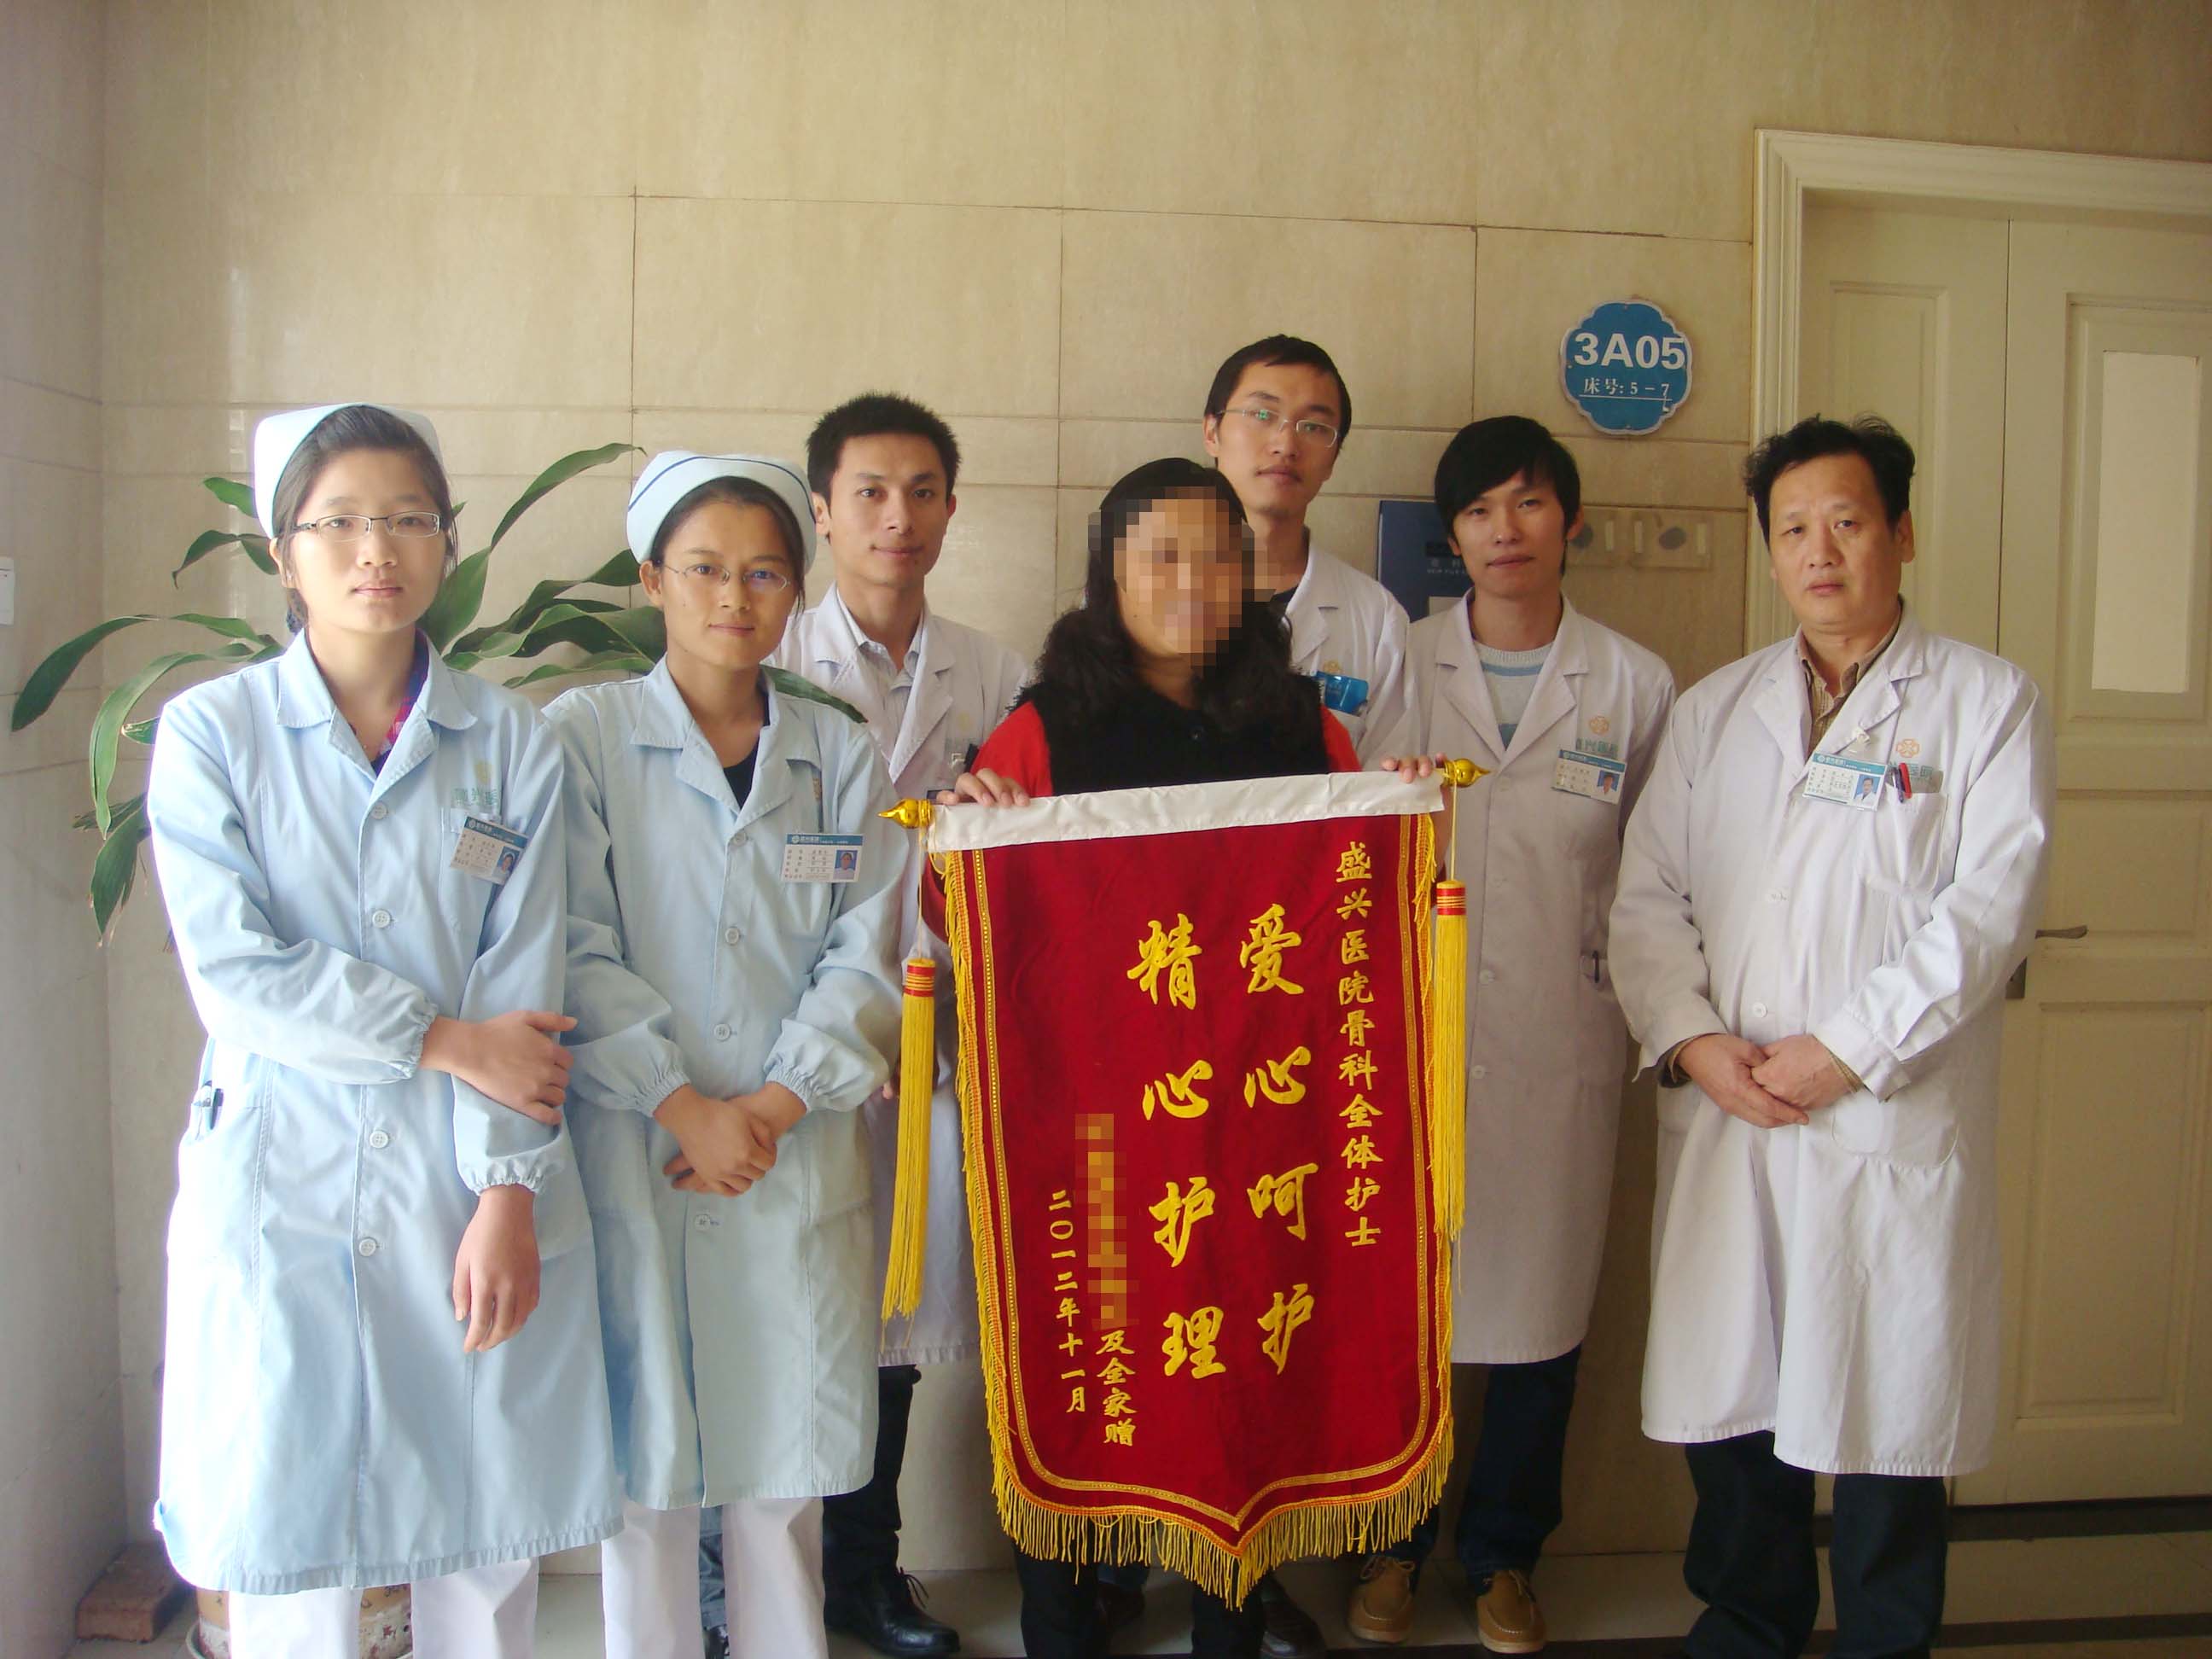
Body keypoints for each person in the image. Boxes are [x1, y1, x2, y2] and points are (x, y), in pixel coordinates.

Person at [145, 402, 619, 1656]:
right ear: (283, 551)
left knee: (482, 1529)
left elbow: (527, 978)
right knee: (290, 1526)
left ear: (448, 542)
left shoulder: (510, 743)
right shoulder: (213, 734)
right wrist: (448, 1040)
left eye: (409, 518)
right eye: (340, 522)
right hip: (284, 1177)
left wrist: (509, 1196)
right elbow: (237, 975)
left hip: (459, 1183)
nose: (376, 551)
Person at [945, 457, 1432, 1659]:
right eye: (1160, 554)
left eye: (1218, 557)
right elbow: (954, 913)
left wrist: (1402, 817)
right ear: (1109, 575)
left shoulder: (1299, 721)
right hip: (1100, 1132)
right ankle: (1065, 1618)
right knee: (1092, 1358)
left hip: (1261, 1123)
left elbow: (1360, 898)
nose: (1192, 581)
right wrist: (971, 830)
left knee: (1241, 1368)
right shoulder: (1046, 725)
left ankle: (1234, 1613)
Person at [1609, 416, 2054, 1658]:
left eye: (1847, 522)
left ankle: (1884, 1639)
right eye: (1794, 528)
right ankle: (1749, 1622)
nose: (1820, 552)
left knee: (1887, 1411)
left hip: (1880, 1115)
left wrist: (1845, 1050)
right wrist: (1696, 1042)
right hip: (1732, 1105)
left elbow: (1988, 912)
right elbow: (1647, 900)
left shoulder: (1984, 702)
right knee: (1736, 1405)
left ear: (1901, 534)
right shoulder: (1716, 711)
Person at [549, 452, 904, 1659]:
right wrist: (679, 1101)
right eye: (703, 568)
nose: (733, 597)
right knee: (645, 1483)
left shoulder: (838, 752)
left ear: (796, 590)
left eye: (763, 573)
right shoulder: (584, 737)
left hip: (787, 1157)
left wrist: (777, 1101)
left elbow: (867, 949)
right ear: (652, 580)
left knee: (780, 1482)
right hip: (642, 1146)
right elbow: (571, 942)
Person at [1347, 418, 1674, 1651]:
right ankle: (1394, 1540)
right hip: (1411, 1040)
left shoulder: (1634, 684)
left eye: (1529, 503)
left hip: (1560, 1038)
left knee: (1541, 1319)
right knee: (1408, 1313)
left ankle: (1506, 1558)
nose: (1506, 531)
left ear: (1569, 519)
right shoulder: (1399, 662)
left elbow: (1660, 875)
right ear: (1454, 536)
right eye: (1480, 511)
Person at [743, 392, 1028, 1658]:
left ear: (952, 510)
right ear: (822, 511)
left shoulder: (997, 674)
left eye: (922, 492)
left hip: (942, 1040)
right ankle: (758, 1586)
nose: (896, 518)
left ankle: (867, 1576)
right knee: (791, 1314)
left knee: (893, 1321)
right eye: (868, 492)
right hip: (797, 1040)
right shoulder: (767, 663)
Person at [1202, 333, 1415, 765]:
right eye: (1262, 414)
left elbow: (1385, 789)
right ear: (1212, 432)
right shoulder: (1136, 589)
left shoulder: (1377, 618)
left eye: (1315, 427)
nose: (1285, 444)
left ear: (1334, 458)